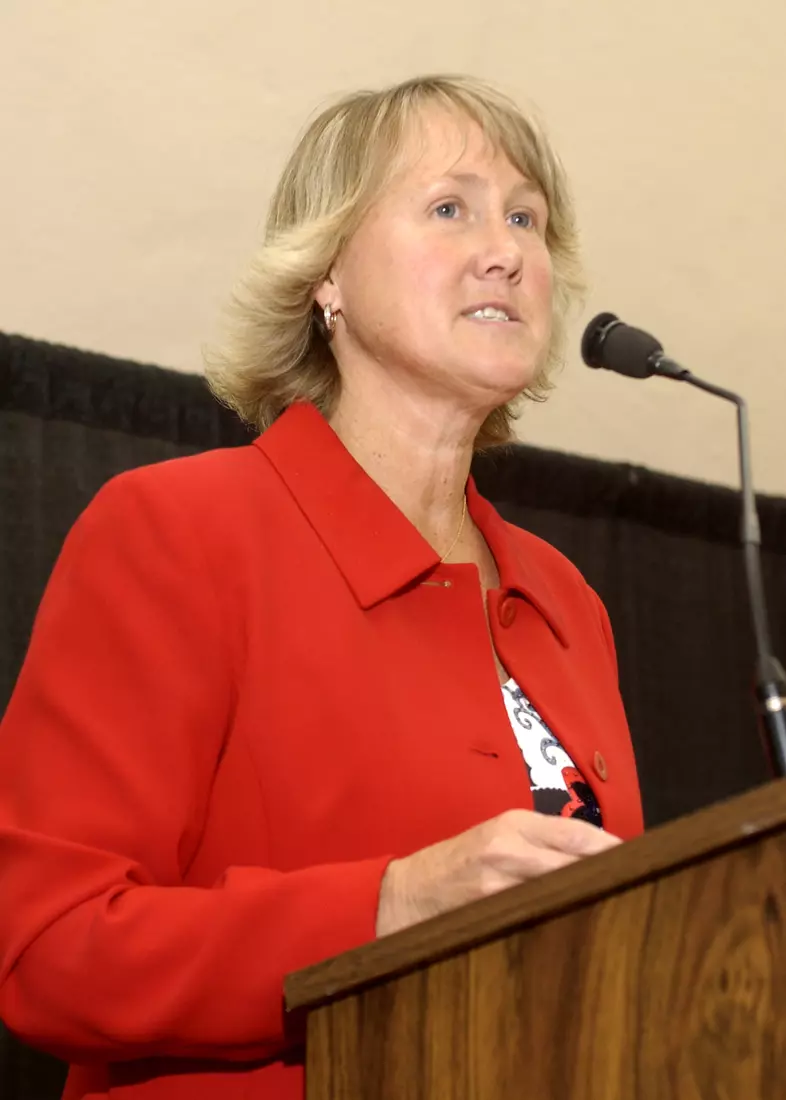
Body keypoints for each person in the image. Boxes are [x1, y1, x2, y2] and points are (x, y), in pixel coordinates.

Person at [0, 74, 643, 1100]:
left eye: (527, 218)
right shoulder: (177, 533)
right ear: (326, 273)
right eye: (451, 208)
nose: (507, 251)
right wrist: (389, 904)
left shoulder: (567, 599)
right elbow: (47, 945)